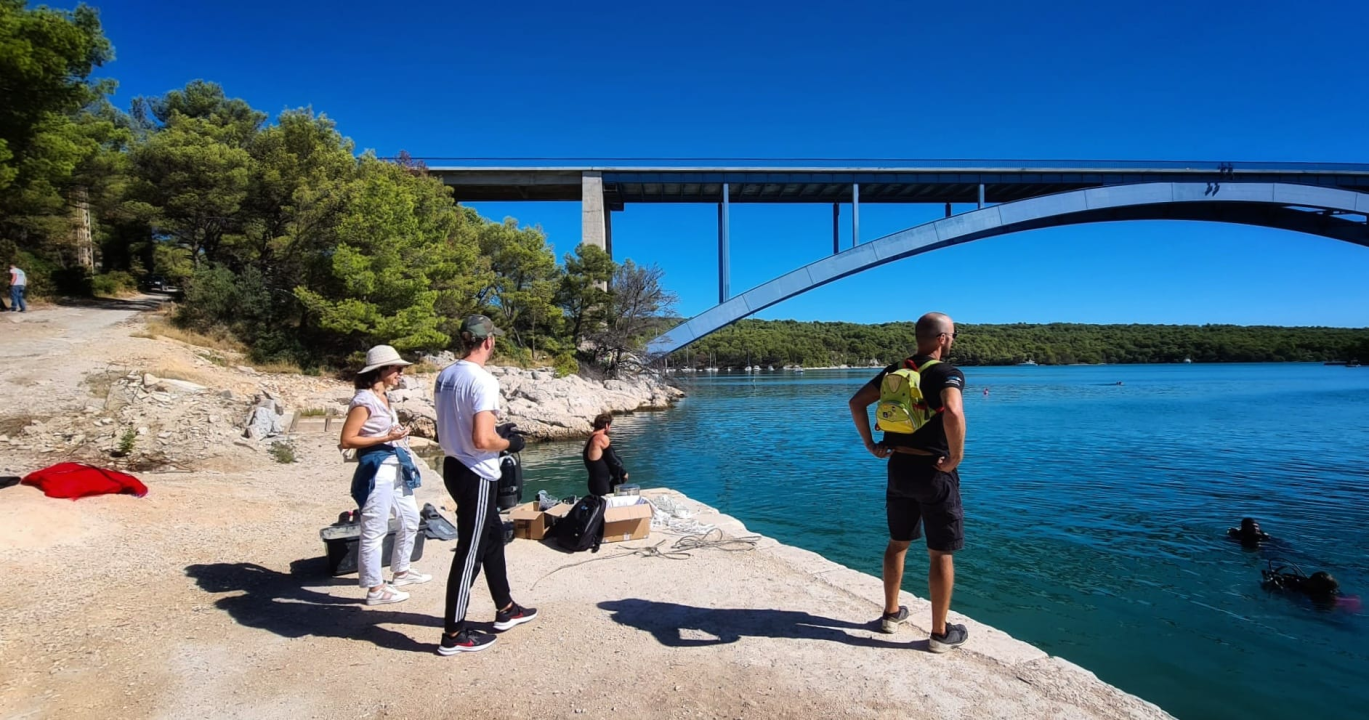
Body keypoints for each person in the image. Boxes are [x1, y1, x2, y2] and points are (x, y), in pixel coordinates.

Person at [848, 312, 968, 653]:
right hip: (934, 472)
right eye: (953, 335)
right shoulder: (947, 373)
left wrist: (872, 444)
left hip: (898, 466)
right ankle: (940, 633)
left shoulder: (894, 371)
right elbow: (954, 413)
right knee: (940, 552)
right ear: (943, 338)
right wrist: (956, 457)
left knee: (897, 542)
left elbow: (856, 403)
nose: (952, 340)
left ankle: (890, 615)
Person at [434, 314, 538, 654]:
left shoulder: (445, 376)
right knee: (469, 551)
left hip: (453, 465)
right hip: (476, 472)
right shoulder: (483, 381)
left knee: (493, 536)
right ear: (488, 342)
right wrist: (509, 443)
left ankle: (505, 608)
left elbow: (460, 425)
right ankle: (453, 634)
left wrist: (497, 433)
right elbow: (482, 439)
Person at [338, 345, 429, 606]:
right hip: (377, 469)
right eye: (397, 368)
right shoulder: (363, 400)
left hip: (395, 467)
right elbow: (347, 440)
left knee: (411, 519)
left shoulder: (384, 397)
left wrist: (394, 433)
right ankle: (375, 589)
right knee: (374, 529)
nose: (401, 373)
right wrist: (387, 437)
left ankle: (401, 572)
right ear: (381, 370)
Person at [584, 413, 629, 496]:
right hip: (601, 485)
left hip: (594, 482)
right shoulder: (601, 438)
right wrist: (623, 473)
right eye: (610, 426)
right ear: (606, 425)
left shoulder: (591, 437)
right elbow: (613, 460)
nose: (610, 428)